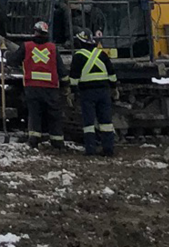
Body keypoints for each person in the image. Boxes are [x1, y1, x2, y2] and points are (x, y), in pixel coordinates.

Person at [13, 21, 64, 150]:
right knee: (54, 115)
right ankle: (57, 141)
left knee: (35, 114)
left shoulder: (27, 46)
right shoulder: (52, 48)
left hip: (32, 87)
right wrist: (67, 84)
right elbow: (61, 68)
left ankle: (34, 140)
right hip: (51, 88)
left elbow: (13, 60)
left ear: (35, 31)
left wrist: (6, 54)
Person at [68, 28, 118, 156]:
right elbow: (112, 74)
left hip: (87, 93)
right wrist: (114, 88)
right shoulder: (101, 54)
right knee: (106, 121)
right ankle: (108, 149)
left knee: (89, 123)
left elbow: (74, 77)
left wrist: (72, 92)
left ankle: (90, 149)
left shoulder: (78, 56)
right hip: (104, 92)